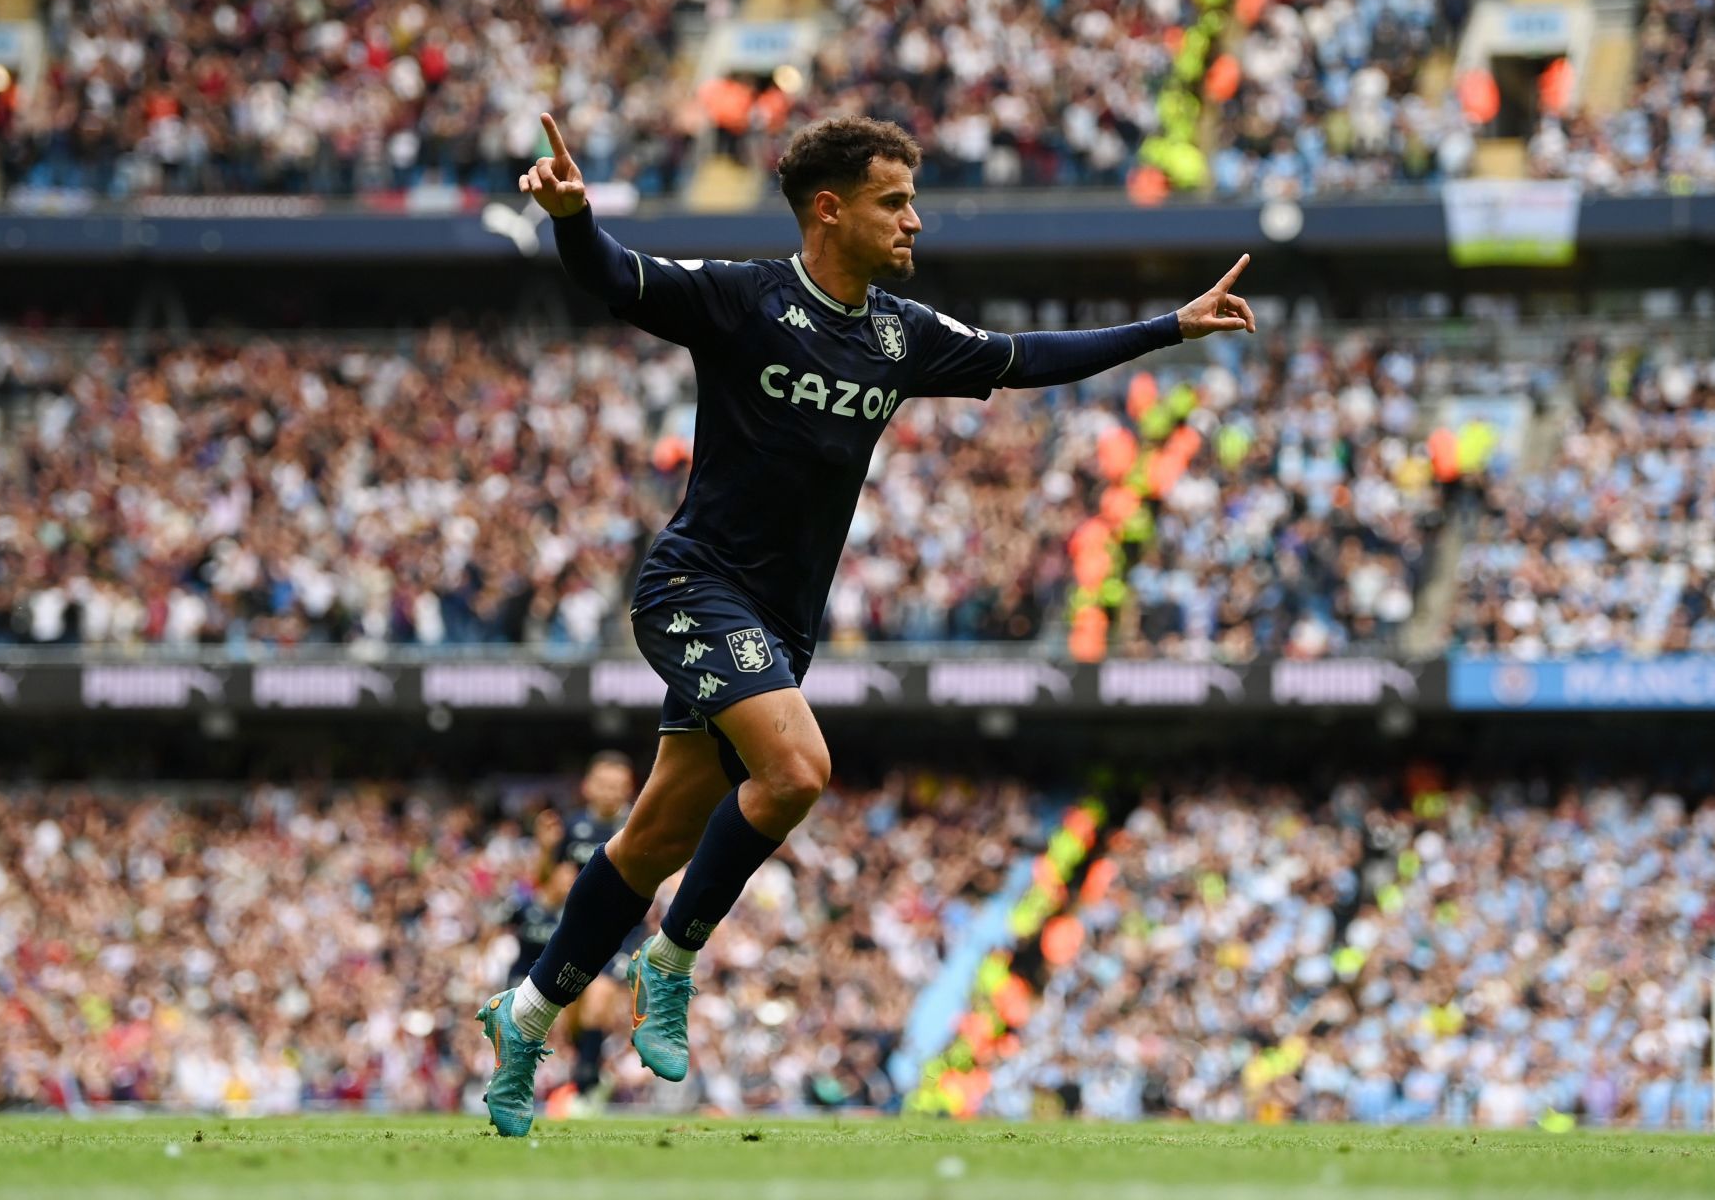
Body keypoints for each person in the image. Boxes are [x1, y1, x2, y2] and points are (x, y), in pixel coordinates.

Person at [475, 113, 1255, 1135]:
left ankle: (525, 1013)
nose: (915, 222)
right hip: (692, 589)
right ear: (829, 210)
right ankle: (670, 961)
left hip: (782, 625)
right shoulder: (745, 298)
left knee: (657, 831)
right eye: (895, 201)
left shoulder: (899, 335)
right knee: (797, 769)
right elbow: (620, 279)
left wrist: (1168, 327)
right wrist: (574, 220)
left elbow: (1026, 357)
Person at [501, 752, 636, 1104]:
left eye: (616, 786)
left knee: (599, 996)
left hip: (622, 929)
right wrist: (546, 850)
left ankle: (587, 1079)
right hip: (576, 929)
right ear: (588, 787)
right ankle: (584, 1069)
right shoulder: (572, 828)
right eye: (603, 784)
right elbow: (546, 881)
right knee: (574, 1014)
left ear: (628, 790)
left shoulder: (638, 826)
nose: (609, 792)